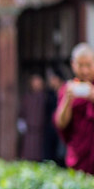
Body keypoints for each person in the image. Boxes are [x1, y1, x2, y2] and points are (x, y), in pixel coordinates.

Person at [53, 43, 94, 175]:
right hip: (78, 155)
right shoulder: (67, 89)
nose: (85, 71)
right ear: (73, 64)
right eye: (81, 65)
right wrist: (67, 100)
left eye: (88, 65)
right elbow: (61, 123)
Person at [18, 73, 47, 161]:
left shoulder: (45, 97)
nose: (36, 85)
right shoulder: (27, 97)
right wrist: (21, 124)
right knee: (28, 153)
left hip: (40, 131)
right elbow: (22, 112)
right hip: (29, 131)